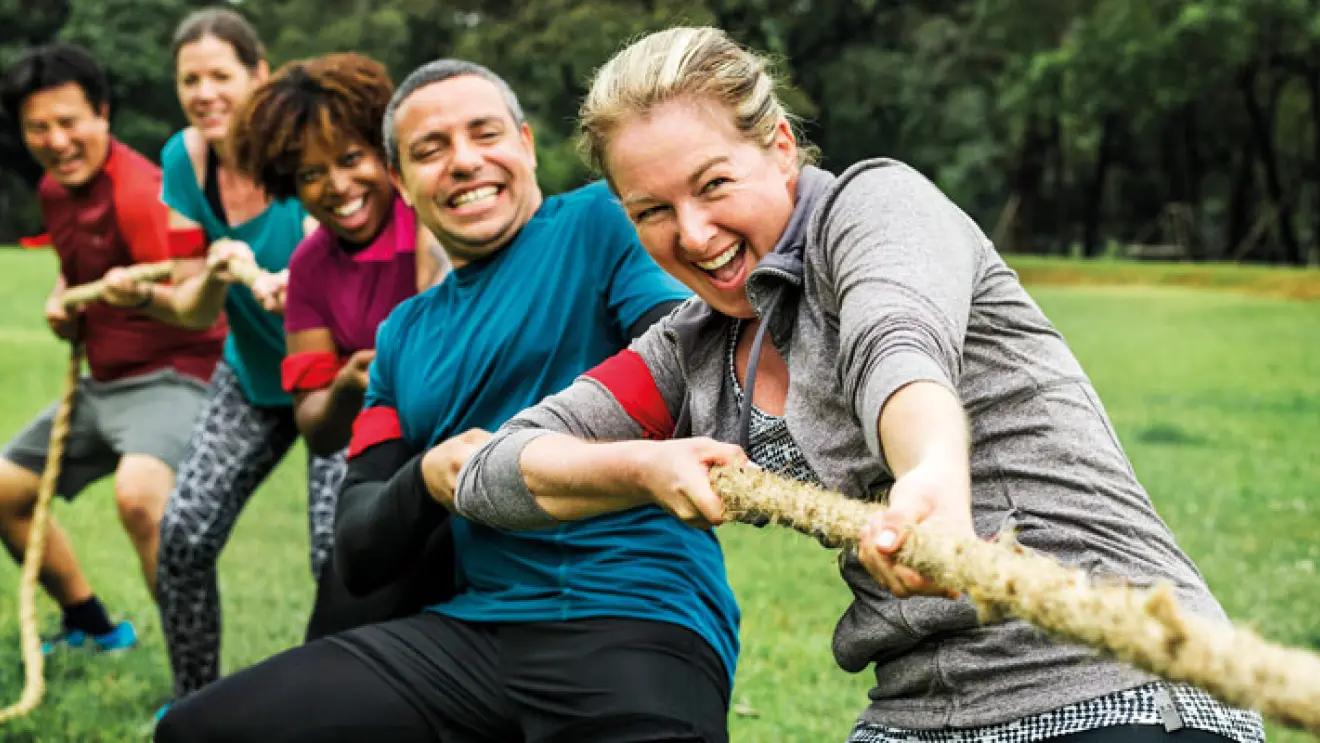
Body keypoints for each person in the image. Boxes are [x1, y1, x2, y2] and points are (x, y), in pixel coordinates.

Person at [450, 27, 1267, 743]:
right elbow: (495, 471)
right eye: (651, 211)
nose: (692, 233)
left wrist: (931, 478)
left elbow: (897, 345)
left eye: (713, 184)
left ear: (779, 146)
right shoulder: (690, 349)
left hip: (1114, 677)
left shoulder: (875, 208)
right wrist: (643, 467)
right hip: (917, 713)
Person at [156, 59, 735, 743]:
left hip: (637, 616)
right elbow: (358, 547)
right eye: (430, 150)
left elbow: (689, 370)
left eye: (484, 134)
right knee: (196, 731)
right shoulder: (401, 336)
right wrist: (429, 476)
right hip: (471, 637)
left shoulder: (600, 223)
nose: (463, 161)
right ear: (401, 182)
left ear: (525, 144)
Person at [122, 7, 342, 704]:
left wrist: (300, 288)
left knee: (336, 556)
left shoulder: (307, 147)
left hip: (340, 380)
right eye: (190, 80)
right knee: (183, 536)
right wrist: (199, 280)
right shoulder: (185, 161)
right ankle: (194, 705)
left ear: (259, 74)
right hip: (252, 379)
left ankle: (342, 707)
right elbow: (192, 308)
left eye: (220, 75)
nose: (204, 93)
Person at [0, 43, 225, 653]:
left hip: (175, 376)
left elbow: (195, 301)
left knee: (140, 496)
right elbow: (79, 269)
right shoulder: (55, 190)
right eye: (38, 128)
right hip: (103, 383)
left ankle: (198, 677)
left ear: (102, 113)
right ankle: (92, 626)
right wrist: (63, 299)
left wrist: (140, 296)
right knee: (6, 491)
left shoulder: (141, 192)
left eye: (69, 122)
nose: (56, 141)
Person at [226, 51, 448, 638]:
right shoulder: (309, 269)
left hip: (463, 449)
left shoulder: (431, 215)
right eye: (310, 174)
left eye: (351, 159)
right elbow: (316, 427)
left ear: (385, 151)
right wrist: (349, 387)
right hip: (379, 449)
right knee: (342, 589)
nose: (338, 186)